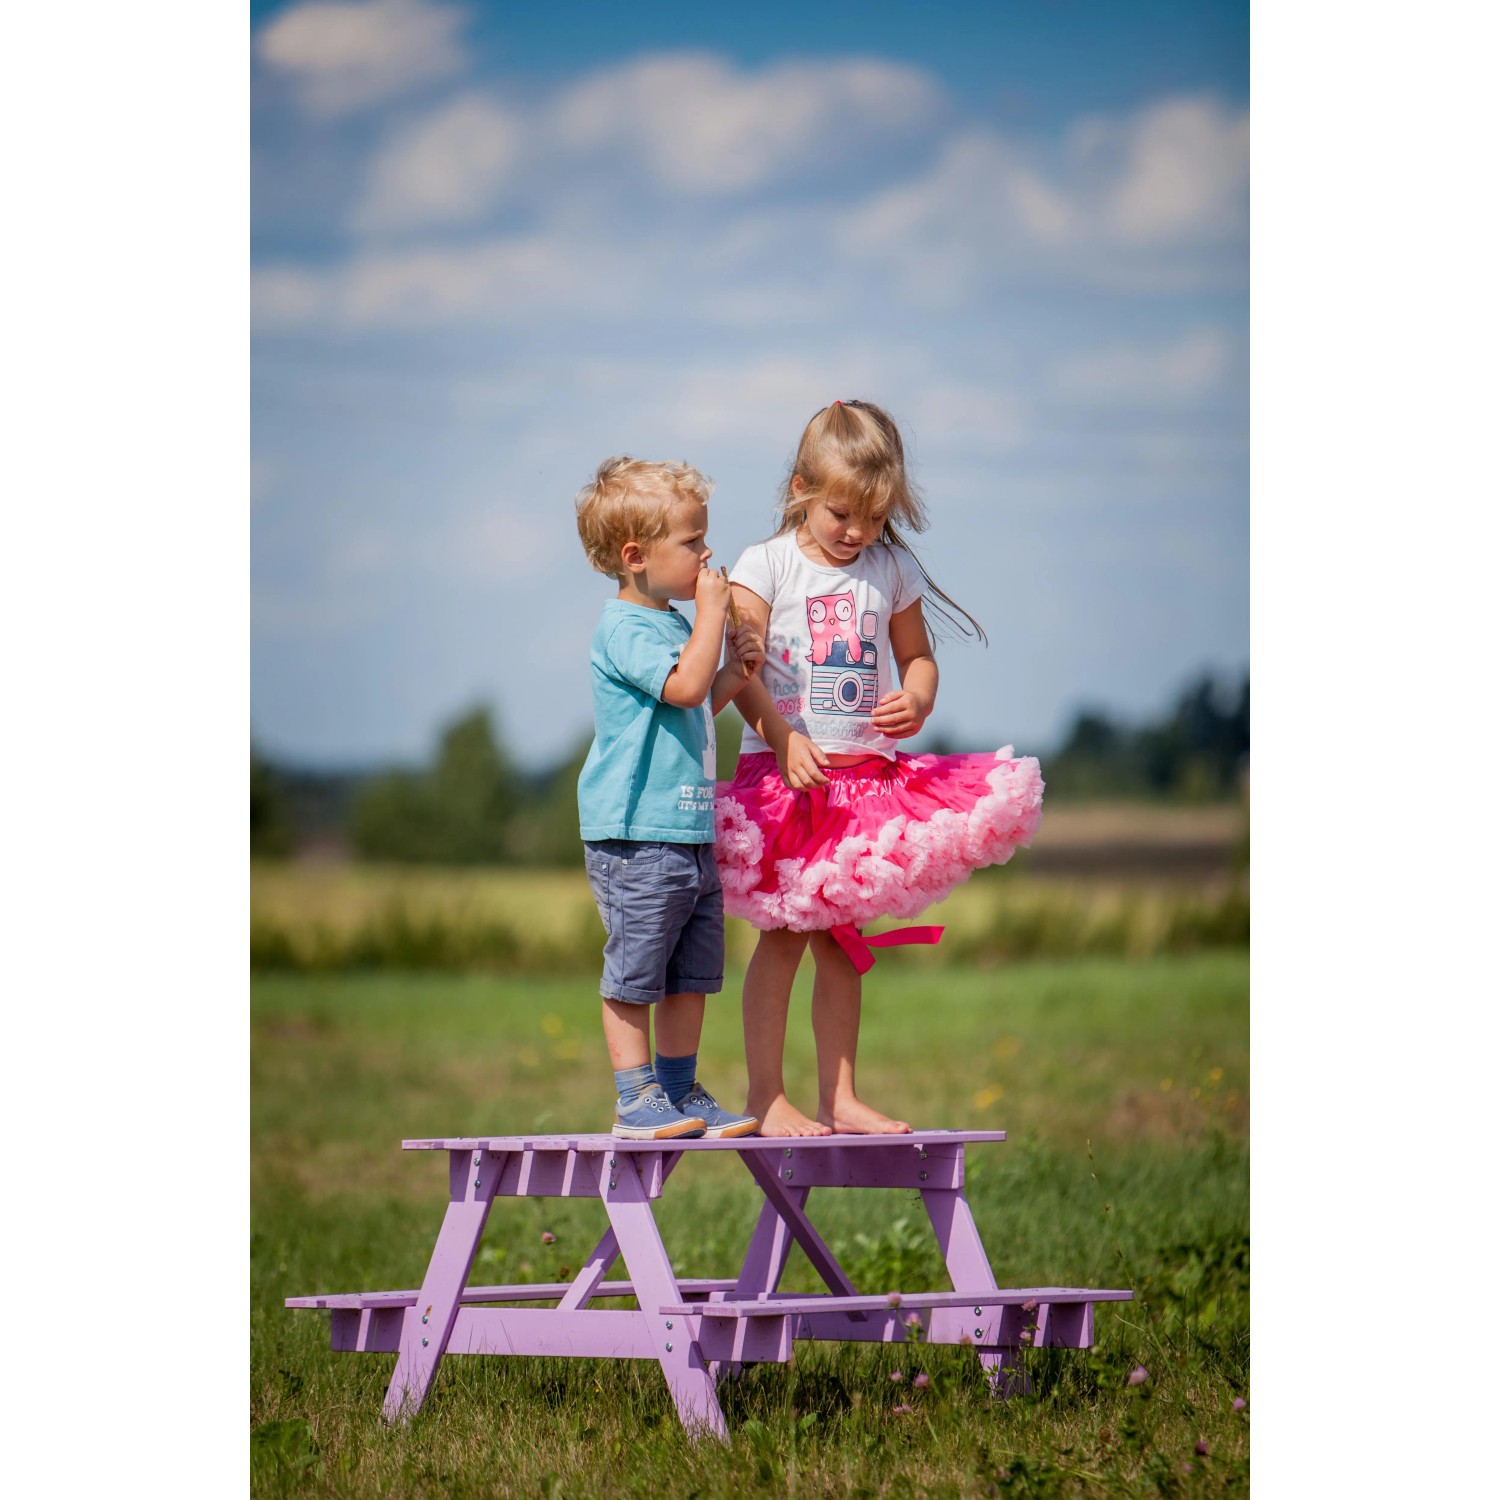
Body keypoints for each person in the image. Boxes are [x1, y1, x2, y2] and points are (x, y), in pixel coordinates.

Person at [717, 400, 1043, 1137]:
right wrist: (781, 736)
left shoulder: (891, 567)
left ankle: (841, 1096)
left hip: (864, 787)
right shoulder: (767, 564)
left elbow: (917, 655)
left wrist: (918, 697)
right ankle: (765, 1095)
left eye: (873, 516)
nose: (857, 531)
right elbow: (742, 669)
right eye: (841, 513)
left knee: (843, 941)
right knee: (784, 937)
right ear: (801, 488)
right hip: (789, 781)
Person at [575, 456, 763, 1140]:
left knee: (691, 972)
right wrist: (712, 616)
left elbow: (695, 704)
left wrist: (736, 672)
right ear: (636, 557)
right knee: (637, 968)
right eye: (692, 541)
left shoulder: (675, 627)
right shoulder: (623, 628)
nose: (706, 554)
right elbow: (683, 687)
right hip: (637, 834)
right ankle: (635, 1097)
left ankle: (679, 1091)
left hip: (687, 831)